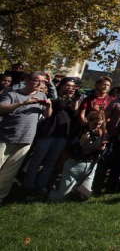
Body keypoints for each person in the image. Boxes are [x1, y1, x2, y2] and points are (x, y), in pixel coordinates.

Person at [23, 77, 82, 198]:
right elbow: (58, 106)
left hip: (62, 135)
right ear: (61, 86)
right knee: (36, 161)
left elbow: (75, 112)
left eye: (72, 86)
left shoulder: (73, 100)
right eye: (67, 85)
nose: (70, 88)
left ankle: (41, 186)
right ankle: (28, 185)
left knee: (50, 163)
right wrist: (66, 97)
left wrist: (76, 99)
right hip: (48, 133)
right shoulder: (53, 97)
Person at [0, 71, 52, 204]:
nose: (40, 84)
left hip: (26, 138)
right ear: (28, 80)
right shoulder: (12, 93)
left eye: (42, 81)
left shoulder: (41, 95)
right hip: (5, 136)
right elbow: (1, 108)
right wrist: (22, 103)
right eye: (37, 80)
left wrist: (48, 106)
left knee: (9, 173)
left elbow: (47, 115)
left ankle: (0, 197)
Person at [49, 110, 107, 202]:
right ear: (89, 121)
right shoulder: (79, 130)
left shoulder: (101, 132)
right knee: (62, 197)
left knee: (83, 196)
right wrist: (80, 142)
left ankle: (73, 194)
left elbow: (102, 151)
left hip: (90, 166)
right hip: (74, 165)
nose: (97, 126)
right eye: (95, 123)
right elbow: (70, 149)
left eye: (99, 124)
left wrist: (102, 149)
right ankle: (51, 193)